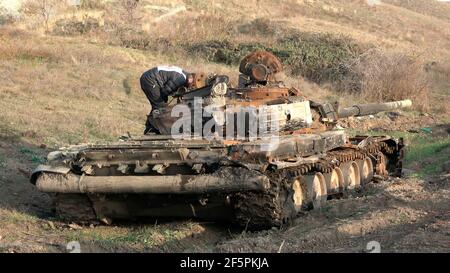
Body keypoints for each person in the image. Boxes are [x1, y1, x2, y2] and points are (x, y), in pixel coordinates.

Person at [140, 65, 194, 134]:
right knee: (160, 107)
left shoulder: (182, 75)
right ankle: (153, 130)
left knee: (159, 106)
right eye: (192, 85)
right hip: (150, 80)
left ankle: (150, 129)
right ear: (190, 80)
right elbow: (165, 91)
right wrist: (177, 93)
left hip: (149, 78)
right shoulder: (181, 79)